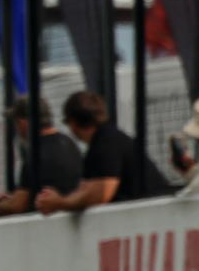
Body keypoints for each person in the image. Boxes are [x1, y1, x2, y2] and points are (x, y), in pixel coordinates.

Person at [36, 91, 169, 215]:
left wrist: (60, 202)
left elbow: (100, 193)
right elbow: (87, 189)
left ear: (73, 123)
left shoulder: (106, 143)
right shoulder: (108, 139)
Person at [0, 96, 83, 218]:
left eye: (16, 122)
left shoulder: (35, 154)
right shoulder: (70, 143)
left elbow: (18, 205)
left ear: (23, 122)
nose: (17, 129)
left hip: (47, 221)